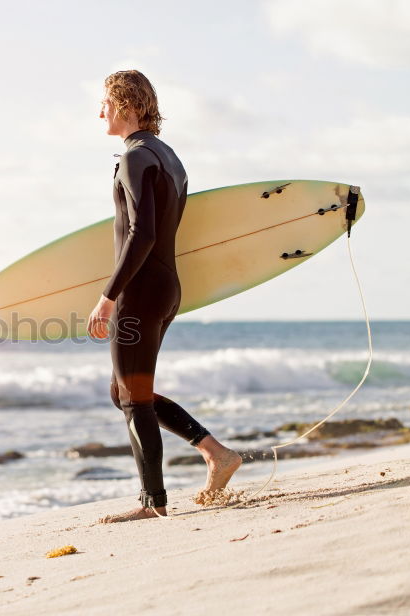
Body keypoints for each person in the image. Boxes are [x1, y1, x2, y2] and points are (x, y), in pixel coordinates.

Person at [86, 70, 242, 523]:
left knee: (133, 397)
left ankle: (153, 504)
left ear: (126, 105)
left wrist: (109, 296)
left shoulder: (136, 157)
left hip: (140, 291)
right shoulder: (169, 157)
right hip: (166, 286)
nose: (101, 112)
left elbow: (143, 233)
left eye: (105, 104)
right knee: (126, 392)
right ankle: (216, 453)